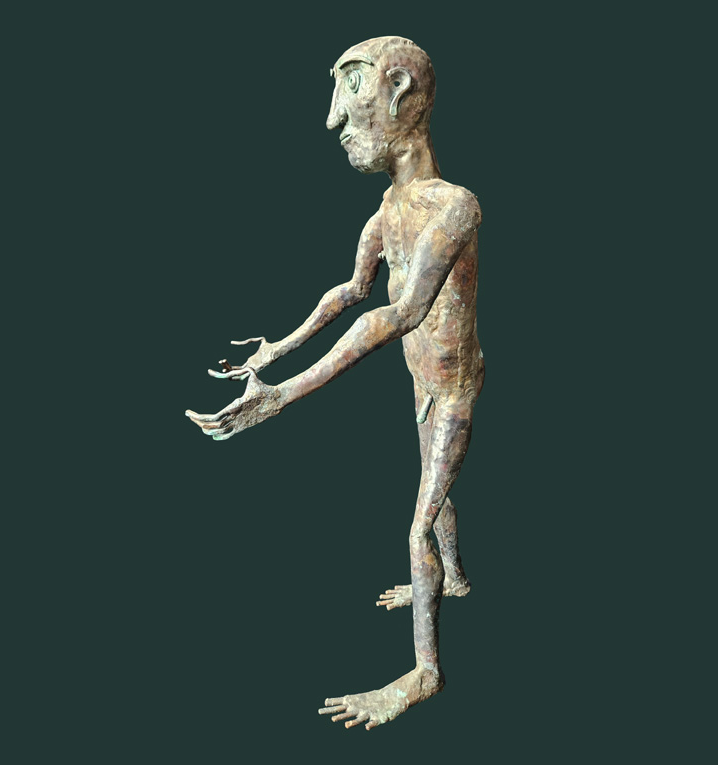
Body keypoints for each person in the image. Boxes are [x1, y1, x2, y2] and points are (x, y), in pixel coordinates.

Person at [186, 36, 484, 730]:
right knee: (435, 487)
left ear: (401, 91)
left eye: (351, 88)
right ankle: (457, 579)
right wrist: (278, 346)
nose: (332, 119)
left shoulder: (456, 207)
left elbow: (401, 314)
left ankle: (425, 673)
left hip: (453, 388)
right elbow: (351, 291)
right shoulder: (388, 210)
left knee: (418, 522)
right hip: (424, 382)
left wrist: (285, 393)